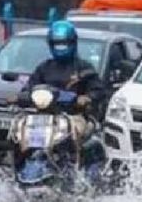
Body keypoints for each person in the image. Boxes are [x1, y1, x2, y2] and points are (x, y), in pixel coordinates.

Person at [15, 20, 104, 170]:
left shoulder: (83, 68)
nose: (60, 47)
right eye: (57, 44)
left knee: (74, 132)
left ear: (72, 43)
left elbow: (98, 89)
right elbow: (30, 87)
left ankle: (72, 166)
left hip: (73, 115)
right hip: (43, 117)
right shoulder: (44, 67)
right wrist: (20, 97)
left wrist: (87, 98)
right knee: (20, 129)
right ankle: (18, 164)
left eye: (63, 44)